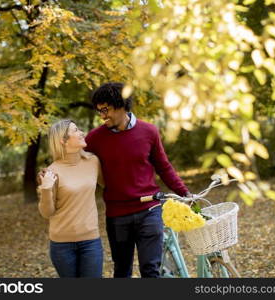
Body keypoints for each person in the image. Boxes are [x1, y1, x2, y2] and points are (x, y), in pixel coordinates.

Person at [84, 82, 191, 278]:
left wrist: (185, 193)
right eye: (99, 111)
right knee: (122, 271)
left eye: (105, 110)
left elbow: (164, 167)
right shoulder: (95, 139)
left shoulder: (149, 131)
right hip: (117, 216)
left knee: (150, 271)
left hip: (149, 211)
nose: (102, 116)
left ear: (121, 105)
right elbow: (75, 160)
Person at [37, 119, 104, 278]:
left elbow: (109, 185)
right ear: (63, 140)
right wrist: (46, 188)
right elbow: (47, 212)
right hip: (62, 246)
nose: (81, 132)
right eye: (75, 130)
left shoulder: (93, 162)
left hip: (91, 241)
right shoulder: (52, 172)